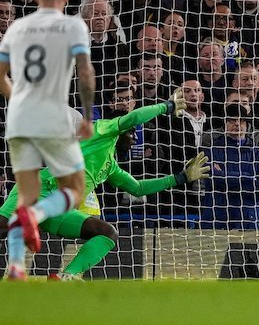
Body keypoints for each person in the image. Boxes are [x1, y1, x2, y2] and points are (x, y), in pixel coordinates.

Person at [0, 96, 208, 280]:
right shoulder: (102, 129)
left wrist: (180, 178)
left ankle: (67, 275)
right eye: (132, 133)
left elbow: (137, 188)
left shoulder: (110, 166)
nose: (135, 138)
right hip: (40, 188)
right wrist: (167, 106)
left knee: (107, 233)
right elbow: (132, 118)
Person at [0, 0, 96, 280]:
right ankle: (37, 214)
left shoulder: (16, 28)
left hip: (20, 118)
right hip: (54, 116)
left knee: (25, 192)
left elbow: (0, 76)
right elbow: (85, 73)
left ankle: (15, 265)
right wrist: (87, 116)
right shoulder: (73, 26)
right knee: (74, 188)